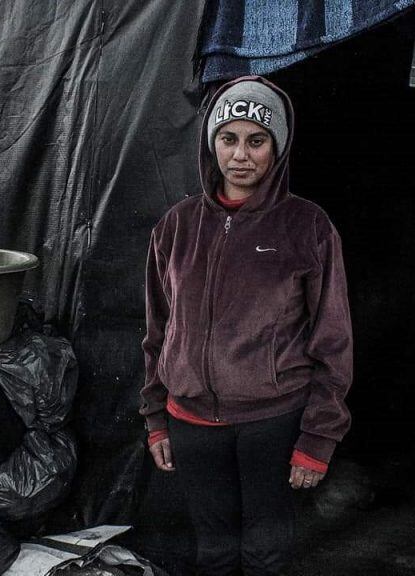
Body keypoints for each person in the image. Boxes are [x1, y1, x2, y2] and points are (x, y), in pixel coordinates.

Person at [140, 76, 353, 576]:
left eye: (256, 140)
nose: (241, 154)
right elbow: (156, 330)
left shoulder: (308, 227)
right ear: (211, 143)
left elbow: (334, 341)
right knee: (214, 551)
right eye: (228, 138)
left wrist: (317, 439)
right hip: (190, 423)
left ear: (276, 147)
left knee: (265, 552)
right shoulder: (175, 226)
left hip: (272, 423)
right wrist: (154, 418)